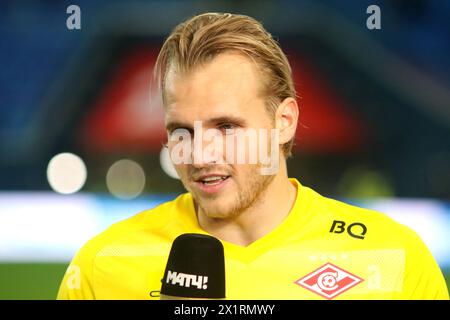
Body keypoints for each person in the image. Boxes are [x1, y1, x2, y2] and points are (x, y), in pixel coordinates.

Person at [57, 12, 448, 300]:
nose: (201, 154)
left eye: (226, 127)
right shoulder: (103, 264)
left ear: (285, 123)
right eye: (181, 131)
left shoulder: (396, 259)